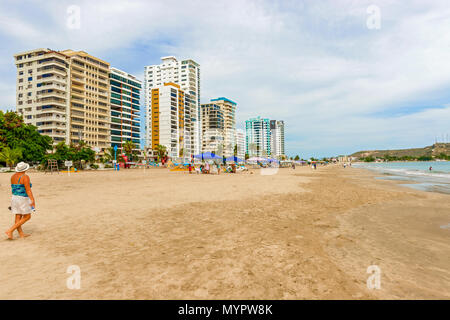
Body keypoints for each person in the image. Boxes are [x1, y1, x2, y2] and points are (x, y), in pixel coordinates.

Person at [5, 162, 35, 240]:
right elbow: (28, 190)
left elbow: (13, 189)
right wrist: (32, 200)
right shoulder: (25, 177)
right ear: (25, 169)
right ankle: (10, 230)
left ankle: (21, 234)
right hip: (22, 198)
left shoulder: (12, 176)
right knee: (27, 216)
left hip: (14, 197)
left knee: (18, 215)